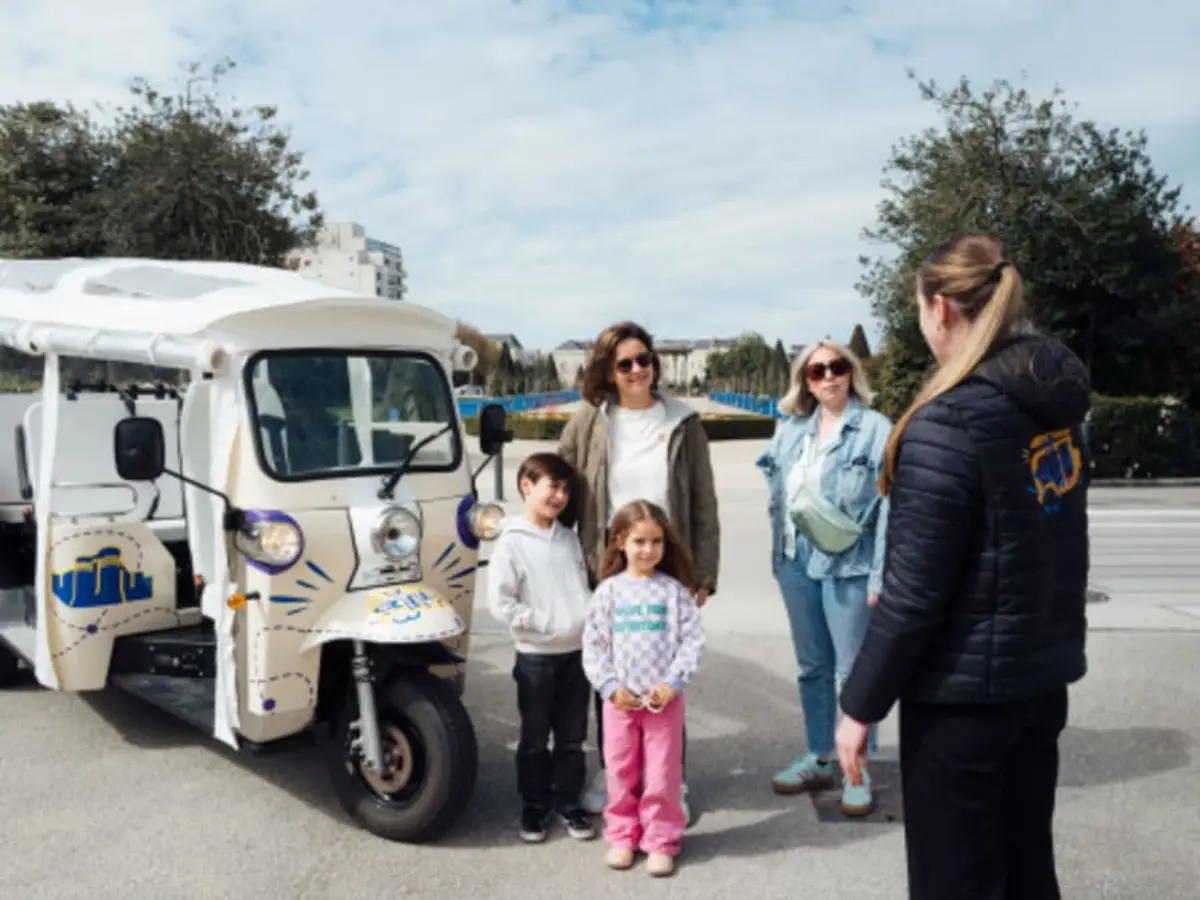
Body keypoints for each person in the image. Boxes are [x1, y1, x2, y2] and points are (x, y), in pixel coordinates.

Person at [836, 234, 1090, 900]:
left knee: (958, 881)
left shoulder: (947, 424)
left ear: (940, 308)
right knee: (1027, 867)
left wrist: (858, 706)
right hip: (1038, 683)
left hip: (962, 701)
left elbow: (915, 594)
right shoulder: (1054, 408)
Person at [558, 320, 719, 822]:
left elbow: (703, 503)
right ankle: (615, 772)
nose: (636, 370)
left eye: (643, 359)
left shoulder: (682, 422)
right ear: (608, 369)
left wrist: (704, 572)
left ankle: (671, 782)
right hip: (608, 560)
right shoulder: (590, 418)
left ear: (655, 363)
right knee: (612, 668)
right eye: (624, 362)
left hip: (667, 558)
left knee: (666, 672)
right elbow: (561, 476)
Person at [754, 339, 891, 816]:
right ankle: (819, 755)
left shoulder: (876, 430)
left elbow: (890, 506)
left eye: (836, 367)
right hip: (794, 560)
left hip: (848, 564)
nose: (828, 377)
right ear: (805, 381)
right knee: (812, 666)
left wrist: (879, 574)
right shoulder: (792, 430)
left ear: (851, 372)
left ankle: (859, 766)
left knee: (853, 671)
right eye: (817, 371)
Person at [582, 500, 706, 878]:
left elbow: (692, 641)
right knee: (620, 771)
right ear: (620, 541)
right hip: (619, 704)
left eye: (656, 542)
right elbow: (594, 645)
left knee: (662, 775)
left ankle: (661, 840)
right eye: (639, 541)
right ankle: (622, 836)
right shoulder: (608, 593)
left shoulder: (673, 593)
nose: (648, 550)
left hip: (663, 705)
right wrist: (610, 686)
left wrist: (672, 683)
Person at [486, 452, 597, 844]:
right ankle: (534, 805)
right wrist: (545, 623)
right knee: (535, 738)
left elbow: (583, 590)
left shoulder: (569, 538)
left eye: (566, 489)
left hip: (577, 656)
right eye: (553, 486)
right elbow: (502, 604)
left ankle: (568, 802)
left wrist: (584, 622)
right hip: (536, 659)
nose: (560, 496)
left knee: (572, 737)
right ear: (527, 486)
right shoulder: (512, 543)